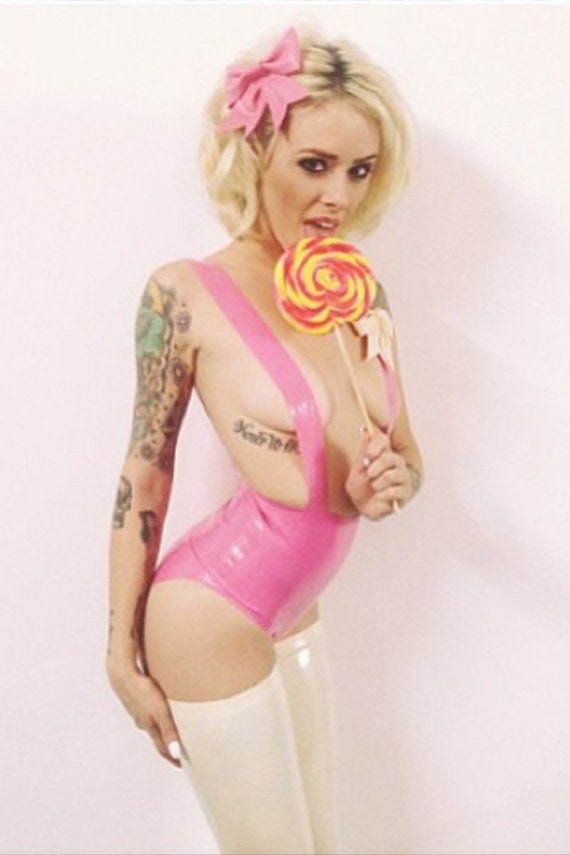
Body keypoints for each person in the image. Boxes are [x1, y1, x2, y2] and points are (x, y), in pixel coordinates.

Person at [106, 24, 423, 855]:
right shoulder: (184, 295)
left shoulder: (358, 292)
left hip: (298, 609)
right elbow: (146, 471)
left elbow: (406, 454)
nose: (338, 197)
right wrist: (120, 652)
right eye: (314, 164)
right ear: (255, 151)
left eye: (359, 169)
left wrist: (392, 484)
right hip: (208, 611)